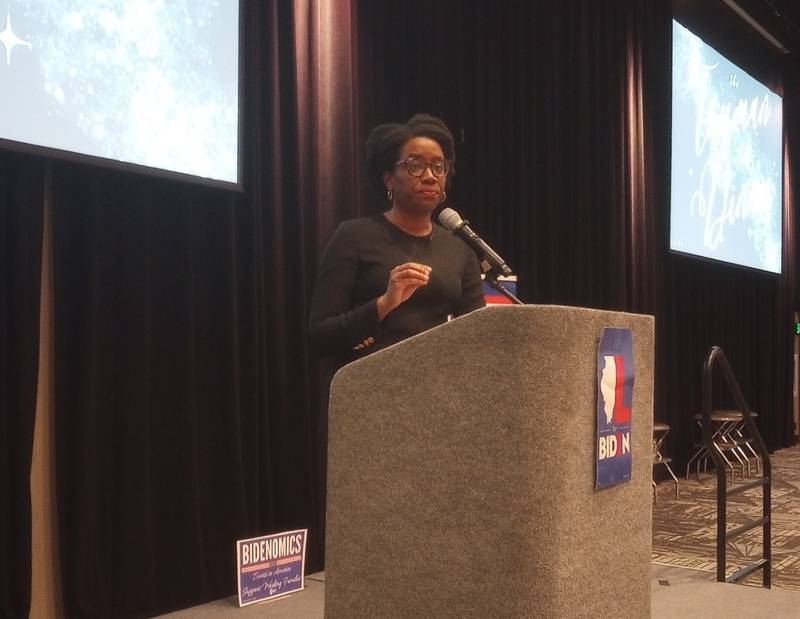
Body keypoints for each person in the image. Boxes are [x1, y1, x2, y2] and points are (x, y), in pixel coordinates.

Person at [308, 113, 485, 367]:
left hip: (439, 391)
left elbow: (476, 336)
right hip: (369, 386)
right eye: (415, 165)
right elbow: (319, 336)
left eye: (439, 166)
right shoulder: (353, 237)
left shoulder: (459, 249)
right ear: (388, 177)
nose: (430, 176)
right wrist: (384, 304)